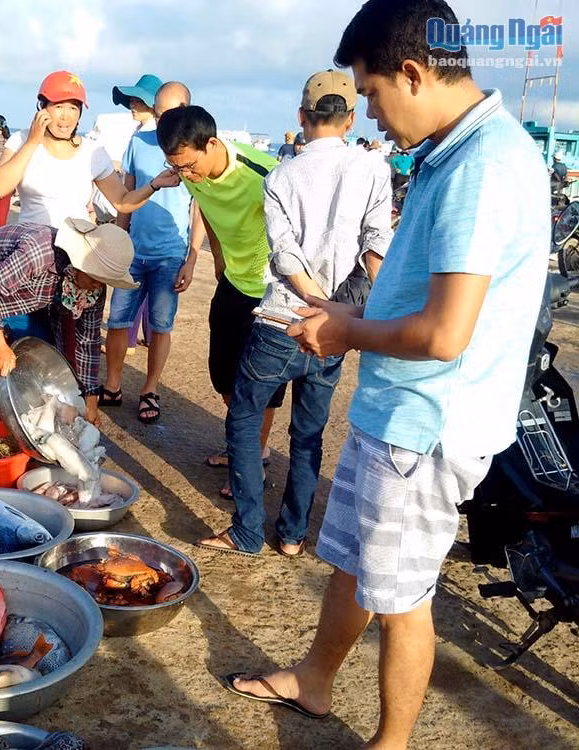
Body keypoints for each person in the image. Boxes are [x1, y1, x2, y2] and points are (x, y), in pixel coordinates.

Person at [225, 2, 550, 747]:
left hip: (424, 428)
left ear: (411, 73)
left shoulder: (481, 165)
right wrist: (350, 316)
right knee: (353, 564)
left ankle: (392, 743)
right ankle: (315, 680)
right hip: (396, 414)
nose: (367, 112)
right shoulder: (456, 151)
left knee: (402, 601)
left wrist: (346, 331)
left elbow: (444, 333)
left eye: (371, 93)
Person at [201, 69, 392, 558]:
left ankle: (247, 531)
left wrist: (312, 302)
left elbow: (284, 256)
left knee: (245, 418)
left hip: (282, 321)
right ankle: (291, 535)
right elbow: (377, 248)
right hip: (337, 326)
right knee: (308, 433)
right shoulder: (372, 168)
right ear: (350, 119)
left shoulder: (281, 175)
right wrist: (344, 313)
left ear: (301, 117)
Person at [156, 105, 285, 497]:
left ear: (211, 144)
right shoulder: (190, 174)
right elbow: (208, 212)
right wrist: (217, 258)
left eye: (188, 165)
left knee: (261, 384)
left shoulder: (264, 174)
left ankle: (253, 457)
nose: (185, 175)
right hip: (232, 282)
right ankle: (243, 444)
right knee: (223, 375)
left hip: (269, 288)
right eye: (175, 167)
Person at [0, 219, 139, 425]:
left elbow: (87, 343)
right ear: (81, 264)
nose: (98, 286)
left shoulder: (93, 289)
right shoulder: (39, 252)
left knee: (38, 367)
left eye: (105, 281)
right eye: (96, 278)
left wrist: (89, 399)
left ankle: (8, 429)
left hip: (25, 301)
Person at [101, 75, 202, 423]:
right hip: (133, 251)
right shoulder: (138, 141)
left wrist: (192, 259)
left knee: (160, 325)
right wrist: (118, 242)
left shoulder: (195, 150)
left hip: (170, 254)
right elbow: (125, 197)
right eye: (158, 113)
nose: (162, 121)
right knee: (117, 320)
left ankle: (150, 389)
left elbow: (199, 209)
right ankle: (112, 385)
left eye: (168, 113)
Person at [0, 71, 179, 231]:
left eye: (73, 108)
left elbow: (122, 202)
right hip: (31, 245)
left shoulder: (92, 151)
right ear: (42, 107)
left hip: (76, 249)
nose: (66, 116)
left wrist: (154, 184)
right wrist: (32, 142)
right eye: (58, 106)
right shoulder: (21, 140)